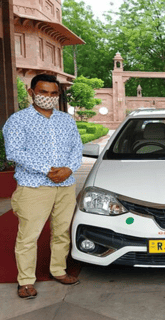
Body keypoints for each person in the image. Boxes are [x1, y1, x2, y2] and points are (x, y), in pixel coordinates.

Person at [3, 74, 83, 299]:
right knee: (28, 235)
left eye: (53, 93)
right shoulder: (18, 120)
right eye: (43, 92)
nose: (48, 97)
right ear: (31, 93)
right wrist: (48, 169)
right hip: (34, 186)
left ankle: (58, 270)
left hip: (66, 185)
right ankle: (26, 281)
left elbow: (77, 147)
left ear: (58, 95)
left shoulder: (66, 120)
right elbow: (15, 152)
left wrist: (68, 168)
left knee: (61, 232)